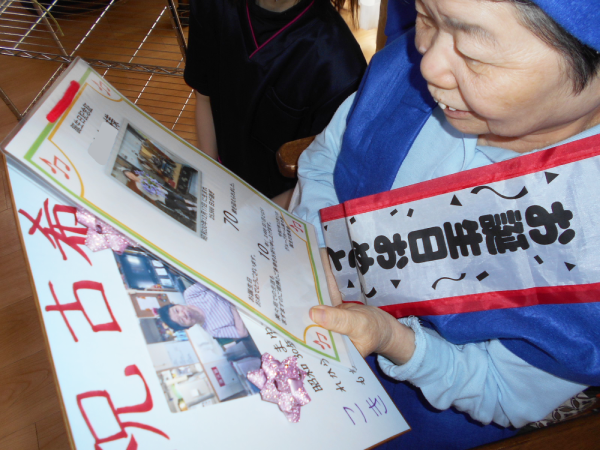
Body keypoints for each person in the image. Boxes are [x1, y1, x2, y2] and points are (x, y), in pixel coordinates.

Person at [292, 0, 600, 447]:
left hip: (415, 412)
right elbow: (325, 160)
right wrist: (314, 245)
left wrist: (392, 338)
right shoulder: (408, 73)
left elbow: (501, 390)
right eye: (425, 18)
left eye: (474, 53)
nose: (427, 65)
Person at [183, 0, 367, 205]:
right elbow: (204, 97)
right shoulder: (213, 6)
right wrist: (209, 176)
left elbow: (324, 179)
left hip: (278, 205)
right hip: (223, 175)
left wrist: (250, 213)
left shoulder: (340, 66)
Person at [158, 283, 249, 339]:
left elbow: (212, 279)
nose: (183, 314)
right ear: (188, 326)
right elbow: (242, 333)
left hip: (240, 286)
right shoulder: (213, 330)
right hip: (248, 311)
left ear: (177, 304)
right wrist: (233, 307)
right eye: (182, 320)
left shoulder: (190, 295)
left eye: (177, 310)